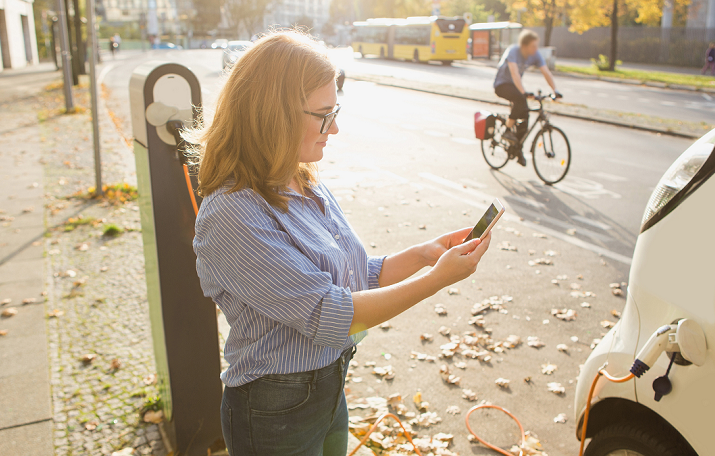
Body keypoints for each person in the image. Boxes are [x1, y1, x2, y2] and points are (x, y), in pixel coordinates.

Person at [190, 30, 492, 456]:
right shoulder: (233, 213)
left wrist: (426, 255)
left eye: (336, 111)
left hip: (328, 385)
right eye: (324, 114)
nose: (335, 127)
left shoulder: (301, 177)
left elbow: (355, 277)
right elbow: (331, 313)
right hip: (275, 408)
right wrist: (437, 281)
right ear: (271, 115)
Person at [493, 30, 561, 166]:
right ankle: (507, 131)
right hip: (502, 85)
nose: (536, 49)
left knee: (525, 114)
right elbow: (514, 72)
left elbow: (546, 72)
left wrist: (555, 90)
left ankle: (517, 148)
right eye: (533, 46)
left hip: (516, 87)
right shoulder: (513, 51)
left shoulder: (535, 55)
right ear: (524, 45)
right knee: (520, 100)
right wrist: (523, 92)